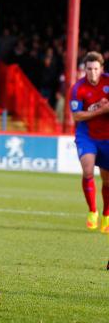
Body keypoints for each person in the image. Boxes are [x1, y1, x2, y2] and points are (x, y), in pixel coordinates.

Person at [69, 51, 109, 232]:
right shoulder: (78, 88)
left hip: (107, 137)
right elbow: (77, 115)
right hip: (87, 136)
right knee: (87, 170)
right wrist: (101, 110)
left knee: (107, 180)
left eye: (95, 69)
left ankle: (106, 215)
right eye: (89, 69)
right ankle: (92, 210)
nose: (92, 73)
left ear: (101, 69)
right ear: (84, 69)